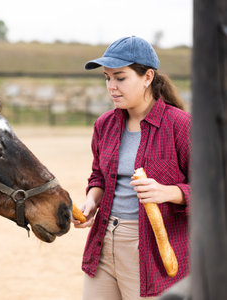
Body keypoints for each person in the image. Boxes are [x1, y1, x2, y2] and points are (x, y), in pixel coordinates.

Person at [72, 36, 191, 299]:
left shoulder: (181, 125)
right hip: (102, 241)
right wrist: (92, 201)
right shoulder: (104, 125)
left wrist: (169, 192)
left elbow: (213, 191)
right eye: (107, 78)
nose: (111, 86)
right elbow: (99, 176)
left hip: (152, 251)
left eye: (120, 78)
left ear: (148, 76)